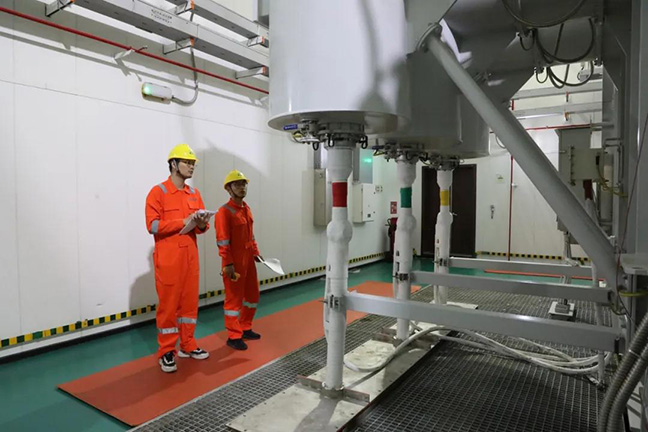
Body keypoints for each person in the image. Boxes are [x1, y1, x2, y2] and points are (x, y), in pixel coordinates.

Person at [145, 143, 212, 373]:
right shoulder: (158, 192)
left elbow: (202, 228)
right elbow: (152, 226)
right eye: (187, 162)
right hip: (169, 258)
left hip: (190, 257)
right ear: (174, 164)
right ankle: (166, 351)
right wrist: (182, 222)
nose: (191, 167)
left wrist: (201, 223)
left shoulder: (194, 194)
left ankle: (188, 344)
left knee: (189, 303)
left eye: (193, 164)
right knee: (169, 306)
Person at [215, 170, 262, 351]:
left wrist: (256, 252)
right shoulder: (224, 212)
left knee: (252, 295)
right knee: (233, 300)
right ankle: (234, 336)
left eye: (243, 184)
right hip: (233, 262)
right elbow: (222, 241)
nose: (242, 187)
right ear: (229, 189)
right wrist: (227, 264)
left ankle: (245, 327)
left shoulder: (246, 209)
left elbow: (251, 235)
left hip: (248, 259)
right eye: (237, 184)